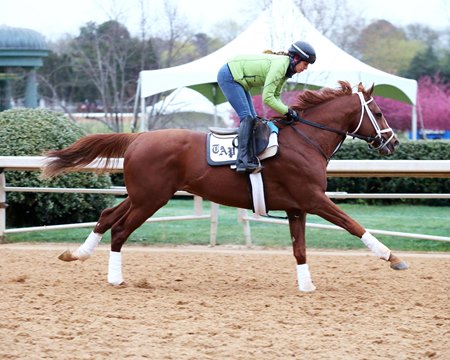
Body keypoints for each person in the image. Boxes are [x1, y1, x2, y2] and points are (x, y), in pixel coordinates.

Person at [217, 41, 316, 174]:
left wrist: (287, 112)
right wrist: (288, 111)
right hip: (230, 76)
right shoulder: (280, 65)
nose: (306, 68)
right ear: (296, 59)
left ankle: (250, 157)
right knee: (247, 117)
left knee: (253, 119)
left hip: (237, 78)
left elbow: (275, 96)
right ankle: (242, 161)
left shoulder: (286, 69)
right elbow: (267, 98)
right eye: (305, 64)